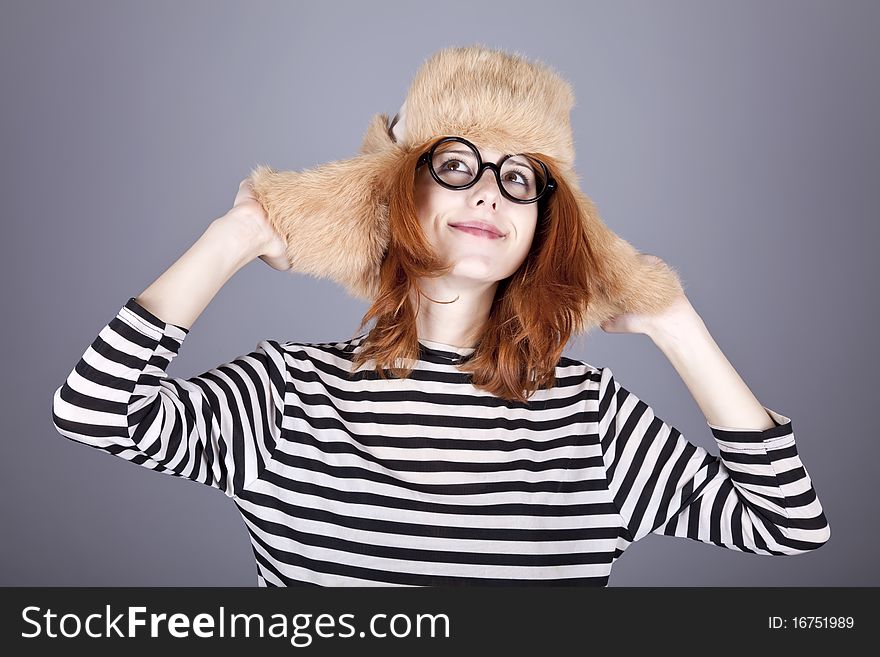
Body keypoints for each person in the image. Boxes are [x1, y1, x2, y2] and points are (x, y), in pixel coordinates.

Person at [51, 45, 830, 586]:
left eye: (521, 177)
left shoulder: (593, 421)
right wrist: (237, 234)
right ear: (401, 193)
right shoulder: (289, 393)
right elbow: (94, 412)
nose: (489, 191)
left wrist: (672, 317)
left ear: (541, 229)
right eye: (456, 165)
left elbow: (787, 524)